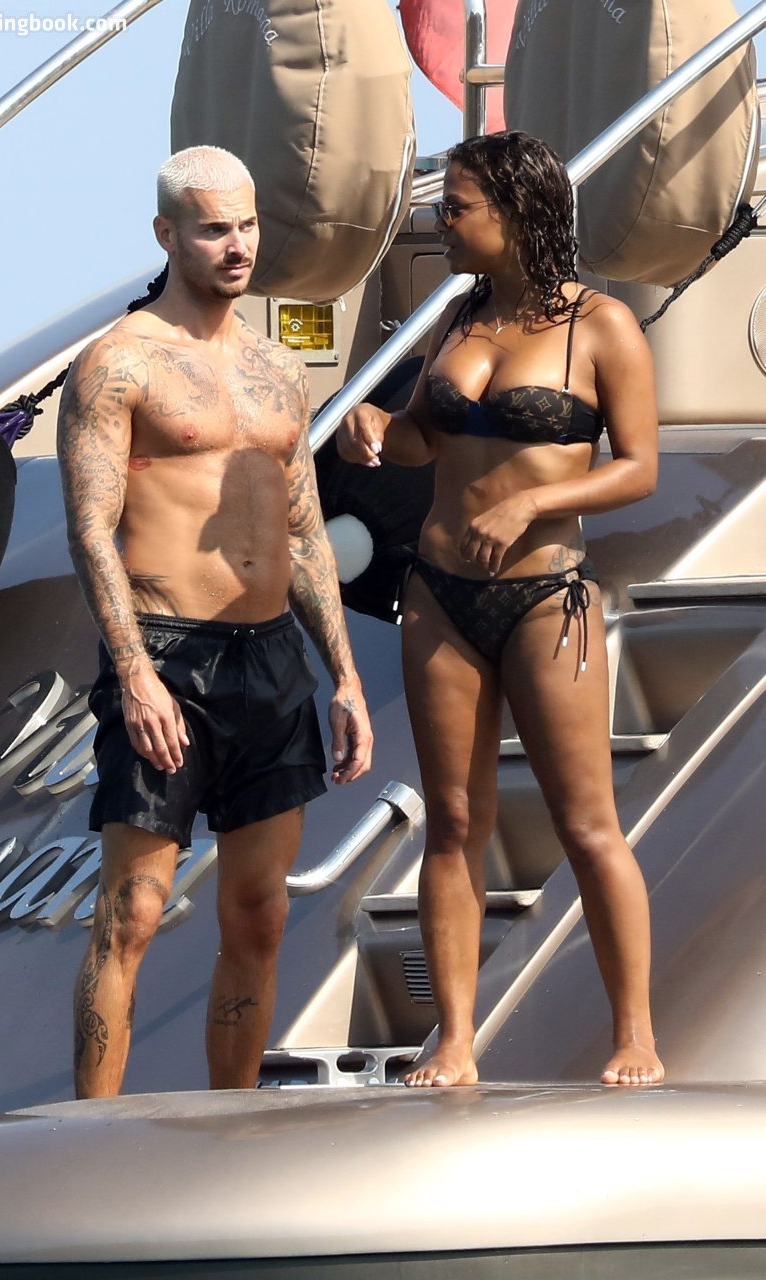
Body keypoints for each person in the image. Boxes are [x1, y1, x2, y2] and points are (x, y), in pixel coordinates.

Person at [337, 131, 664, 1088]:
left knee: (584, 822)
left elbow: (638, 469)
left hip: (545, 597)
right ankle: (452, 1041)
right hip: (439, 592)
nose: (442, 223)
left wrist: (532, 504)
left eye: (457, 208)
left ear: (516, 214)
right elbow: (419, 443)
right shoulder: (458, 318)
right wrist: (374, 430)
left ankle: (635, 1033)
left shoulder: (601, 326)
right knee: (450, 821)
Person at [58, 144, 373, 1098]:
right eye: (212, 230)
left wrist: (344, 676)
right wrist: (133, 672)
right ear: (166, 234)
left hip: (270, 657)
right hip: (167, 653)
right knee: (133, 913)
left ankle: (230, 1122)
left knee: (260, 913)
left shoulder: (277, 368)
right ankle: (89, 1136)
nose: (237, 246)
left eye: (246, 225)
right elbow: (91, 529)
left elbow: (304, 530)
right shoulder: (118, 363)